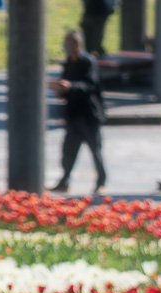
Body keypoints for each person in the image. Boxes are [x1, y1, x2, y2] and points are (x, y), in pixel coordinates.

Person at [51, 29, 106, 195]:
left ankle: (101, 181)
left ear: (78, 44)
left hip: (89, 114)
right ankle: (64, 180)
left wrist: (71, 86)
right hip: (73, 114)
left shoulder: (88, 62)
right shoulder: (69, 62)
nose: (67, 46)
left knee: (95, 150)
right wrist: (61, 89)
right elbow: (64, 81)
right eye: (66, 42)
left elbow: (91, 85)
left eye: (70, 42)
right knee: (68, 150)